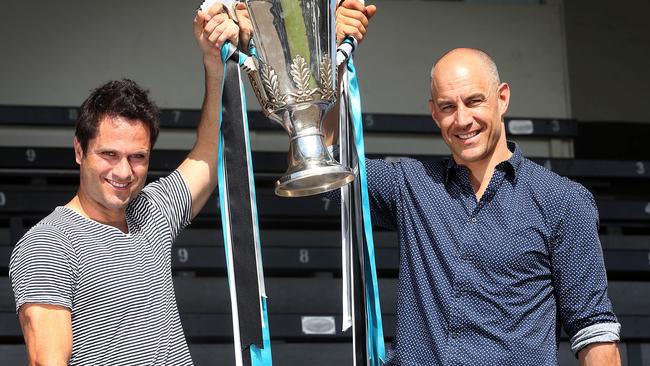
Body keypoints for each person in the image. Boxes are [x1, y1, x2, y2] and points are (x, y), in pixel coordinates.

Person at [323, 4, 622, 366]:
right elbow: (326, 159)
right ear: (434, 113)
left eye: (474, 101)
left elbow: (594, 333)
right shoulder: (411, 185)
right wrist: (332, 50)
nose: (462, 119)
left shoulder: (562, 201)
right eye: (448, 107)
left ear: (502, 98)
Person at [8, 4, 241, 365]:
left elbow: (208, 156)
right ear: (79, 151)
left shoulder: (153, 210)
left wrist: (214, 63)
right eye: (109, 154)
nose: (123, 171)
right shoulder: (48, 243)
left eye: (138, 157)